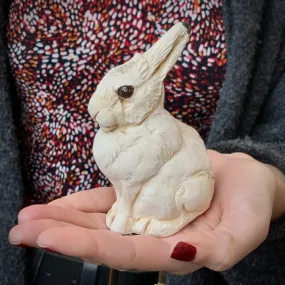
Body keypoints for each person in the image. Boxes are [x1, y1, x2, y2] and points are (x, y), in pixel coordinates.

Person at [1, 1, 285, 285]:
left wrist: (272, 177)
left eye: (124, 93)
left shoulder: (159, 133)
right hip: (37, 262)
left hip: (183, 206)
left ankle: (158, 217)